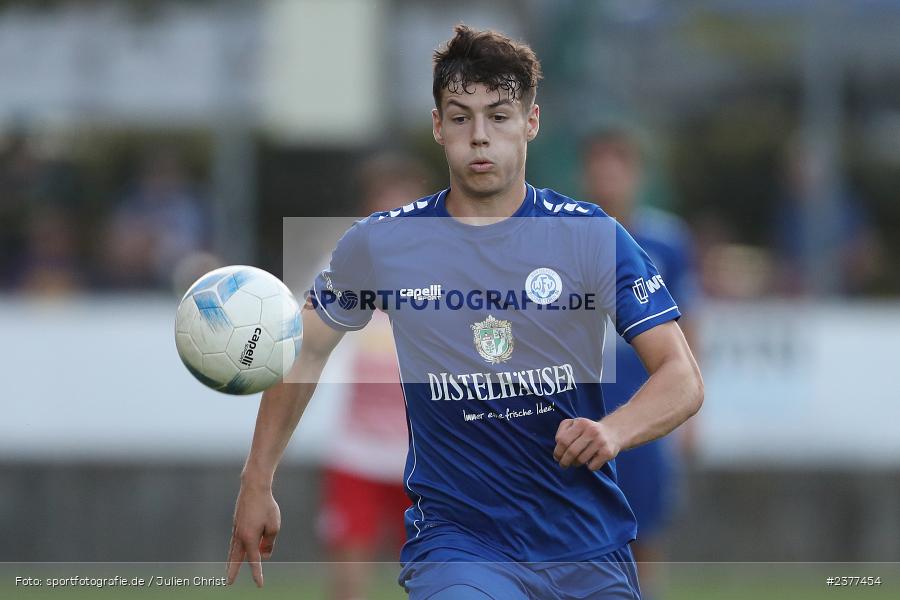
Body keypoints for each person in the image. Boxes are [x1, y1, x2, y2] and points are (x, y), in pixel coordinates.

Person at [226, 26, 703, 599]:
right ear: (437, 126)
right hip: (459, 544)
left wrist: (612, 430)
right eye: (461, 117)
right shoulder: (382, 244)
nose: (480, 137)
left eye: (499, 117)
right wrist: (257, 479)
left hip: (585, 544)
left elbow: (682, 376)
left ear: (531, 122)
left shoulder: (590, 236)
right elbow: (306, 347)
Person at [583, 127, 700, 599]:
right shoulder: (567, 234)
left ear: (637, 175)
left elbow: (689, 322)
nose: (609, 177)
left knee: (644, 527)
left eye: (619, 166)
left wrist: (690, 412)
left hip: (645, 400)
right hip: (586, 403)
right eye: (599, 166)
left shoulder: (668, 240)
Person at [317, 154, 431, 600]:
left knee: (435, 583)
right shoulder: (340, 267)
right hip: (357, 451)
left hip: (424, 457)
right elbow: (306, 342)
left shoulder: (446, 273)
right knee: (347, 583)